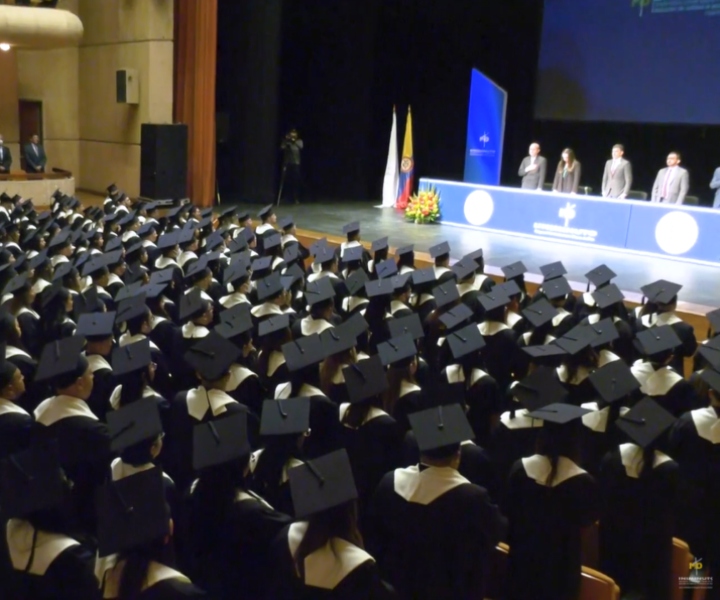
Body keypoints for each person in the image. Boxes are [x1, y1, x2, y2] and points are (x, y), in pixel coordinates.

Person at [367, 404, 504, 599]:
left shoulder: (390, 483)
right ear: (458, 457)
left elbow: (375, 537)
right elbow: (496, 532)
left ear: (421, 452)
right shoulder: (473, 499)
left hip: (397, 588)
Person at [280, 128, 303, 204]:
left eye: (294, 133)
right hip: (288, 163)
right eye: (291, 133)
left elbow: (301, 147)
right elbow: (282, 148)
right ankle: (286, 197)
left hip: (296, 163)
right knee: (287, 180)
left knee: (295, 181)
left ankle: (296, 198)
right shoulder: (287, 142)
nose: (293, 135)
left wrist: (293, 141)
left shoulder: (299, 141)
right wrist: (286, 141)